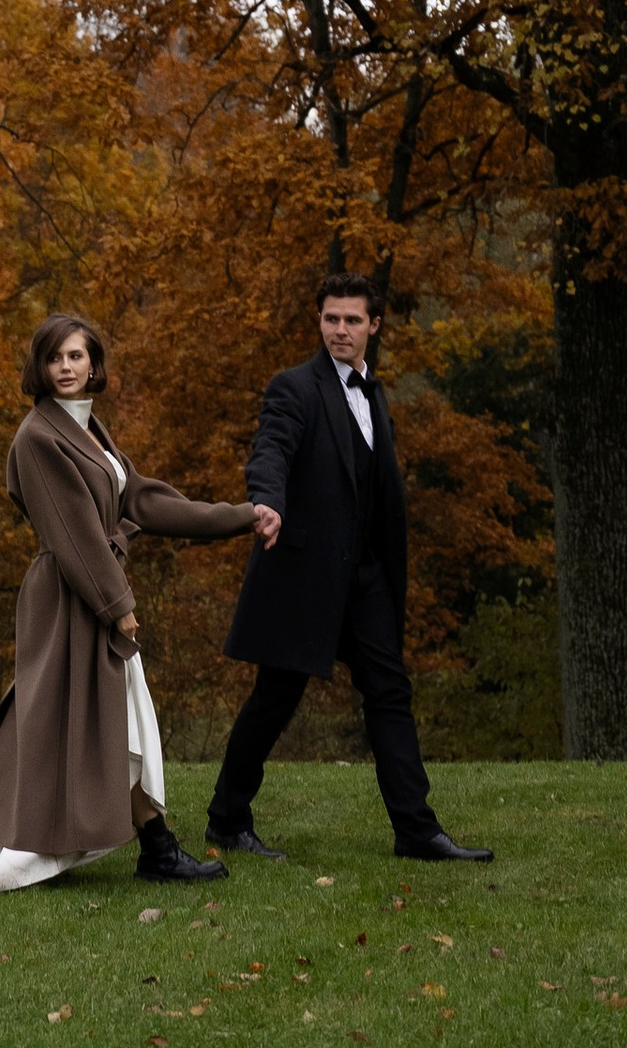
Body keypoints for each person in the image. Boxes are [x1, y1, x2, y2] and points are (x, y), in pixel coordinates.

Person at [0, 311, 277, 896]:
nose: (66, 367)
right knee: (89, 718)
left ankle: (156, 847)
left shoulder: (89, 429)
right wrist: (118, 604)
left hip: (91, 590)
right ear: (40, 367)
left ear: (94, 363)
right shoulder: (38, 437)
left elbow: (145, 500)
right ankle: (148, 847)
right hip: (70, 596)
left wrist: (241, 517)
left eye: (76, 356)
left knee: (106, 719)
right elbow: (74, 532)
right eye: (55, 358)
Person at [205, 273, 492, 868]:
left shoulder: (375, 395)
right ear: (320, 322)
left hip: (365, 581)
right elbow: (272, 450)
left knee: (390, 692)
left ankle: (416, 831)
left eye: (353, 320)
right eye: (331, 319)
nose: (340, 329)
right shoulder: (294, 388)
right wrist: (268, 502)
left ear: (374, 326)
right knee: (275, 699)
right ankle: (228, 820)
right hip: (303, 575)